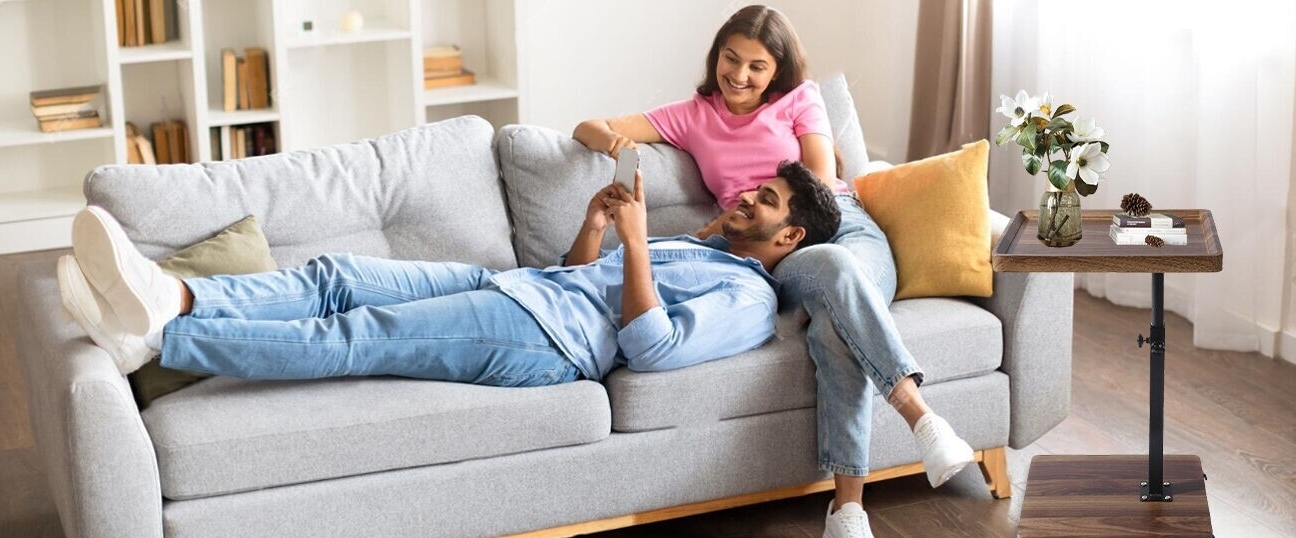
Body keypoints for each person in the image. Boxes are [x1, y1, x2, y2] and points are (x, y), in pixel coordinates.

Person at [573, 4, 971, 538]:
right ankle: (921, 420)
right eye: (731, 59)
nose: (740, 75)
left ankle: (850, 513)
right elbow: (588, 125)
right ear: (716, 58)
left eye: (757, 66)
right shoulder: (693, 115)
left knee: (835, 317)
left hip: (838, 228)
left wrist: (790, 230)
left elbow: (818, 197)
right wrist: (615, 147)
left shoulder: (802, 99)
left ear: (777, 71)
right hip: (764, 251)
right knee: (834, 285)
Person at [58, 162, 840, 388]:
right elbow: (580, 278)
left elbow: (655, 349)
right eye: (754, 189)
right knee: (338, 275)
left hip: (545, 343)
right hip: (524, 290)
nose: (743, 199)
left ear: (789, 236)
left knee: (355, 334)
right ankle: (180, 295)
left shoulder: (748, 298)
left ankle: (166, 338)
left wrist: (638, 246)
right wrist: (598, 228)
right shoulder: (703, 251)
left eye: (764, 201)